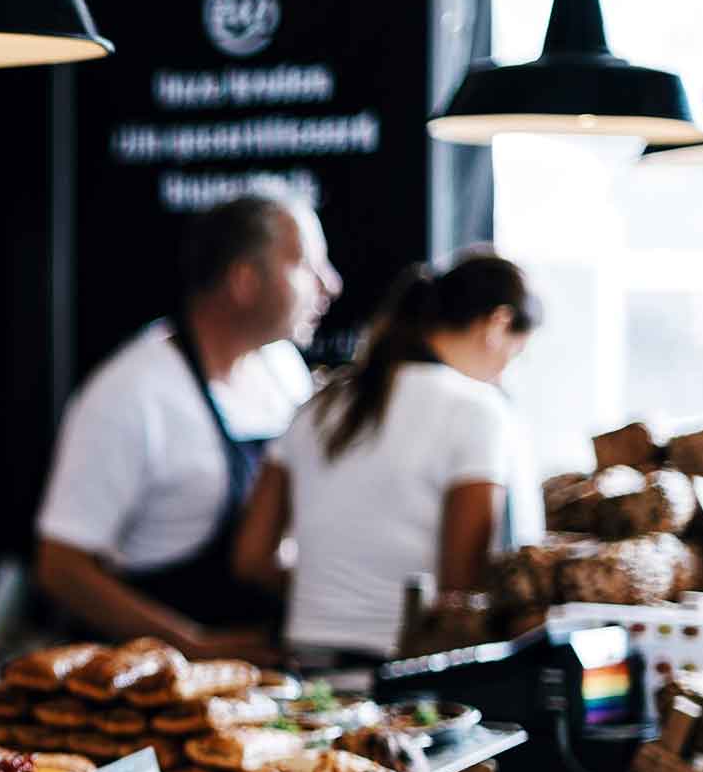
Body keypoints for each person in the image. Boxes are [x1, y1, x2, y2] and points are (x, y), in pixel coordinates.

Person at [35, 193, 341, 662]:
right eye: (306, 265)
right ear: (244, 280)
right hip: (152, 685)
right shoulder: (130, 394)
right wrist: (192, 646)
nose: (330, 285)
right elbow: (61, 568)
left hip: (265, 670)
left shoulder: (282, 368)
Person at [231, 252, 541, 664]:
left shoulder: (319, 405)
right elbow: (460, 592)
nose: (504, 372)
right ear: (498, 324)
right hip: (407, 679)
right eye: (515, 355)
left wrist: (333, 592)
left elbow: (250, 559)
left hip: (307, 670)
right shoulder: (479, 411)